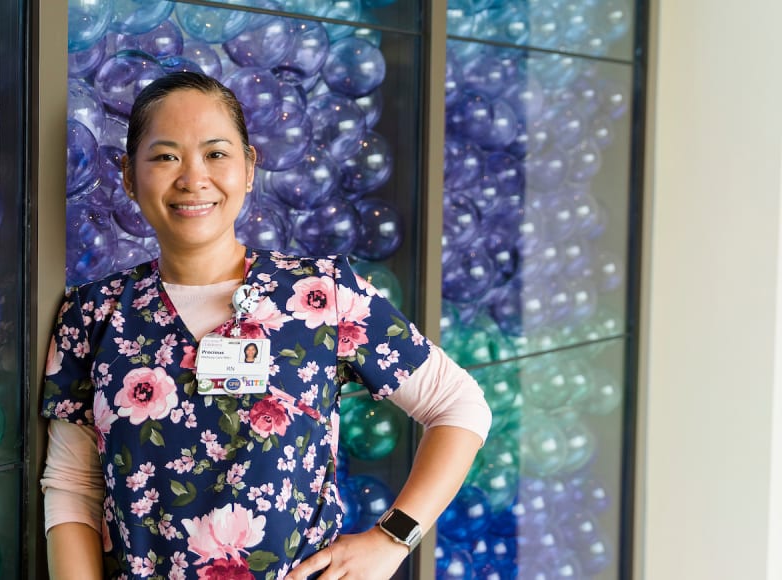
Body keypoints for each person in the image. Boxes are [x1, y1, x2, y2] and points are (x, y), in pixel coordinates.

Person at [39, 72, 492, 579]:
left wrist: (392, 539)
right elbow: (73, 486)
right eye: (166, 156)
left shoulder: (322, 294)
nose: (193, 178)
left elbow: (461, 406)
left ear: (249, 168)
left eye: (215, 154)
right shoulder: (95, 313)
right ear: (128, 174)